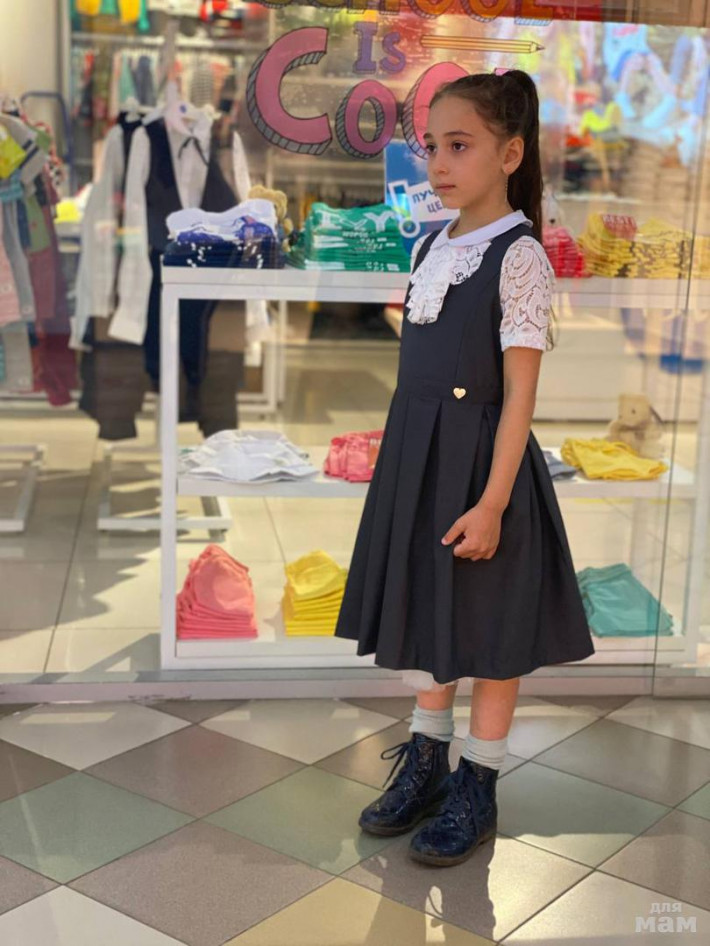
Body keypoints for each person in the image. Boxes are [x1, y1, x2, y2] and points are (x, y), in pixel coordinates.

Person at [333, 69, 595, 868]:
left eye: (460, 146)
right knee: (429, 610)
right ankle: (426, 761)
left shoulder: (520, 257)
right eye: (432, 147)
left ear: (510, 154)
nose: (439, 164)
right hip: (421, 462)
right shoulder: (431, 244)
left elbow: (519, 397)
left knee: (487, 624)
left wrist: (492, 502)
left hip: (484, 470)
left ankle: (478, 781)